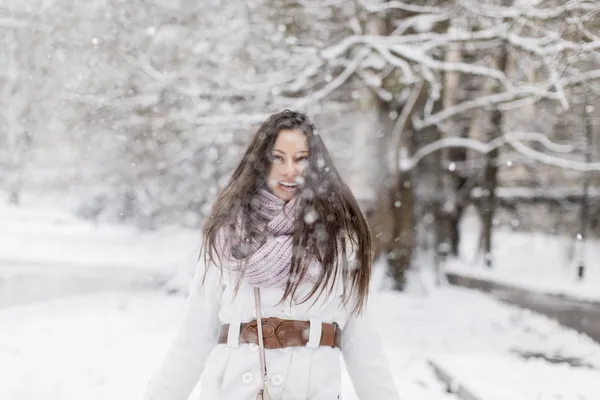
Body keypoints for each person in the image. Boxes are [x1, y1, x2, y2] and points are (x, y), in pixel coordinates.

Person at [143, 110, 400, 400]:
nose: (289, 169)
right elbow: (192, 341)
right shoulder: (227, 239)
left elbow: (364, 349)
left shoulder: (340, 245)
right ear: (261, 164)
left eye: (300, 158)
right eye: (278, 158)